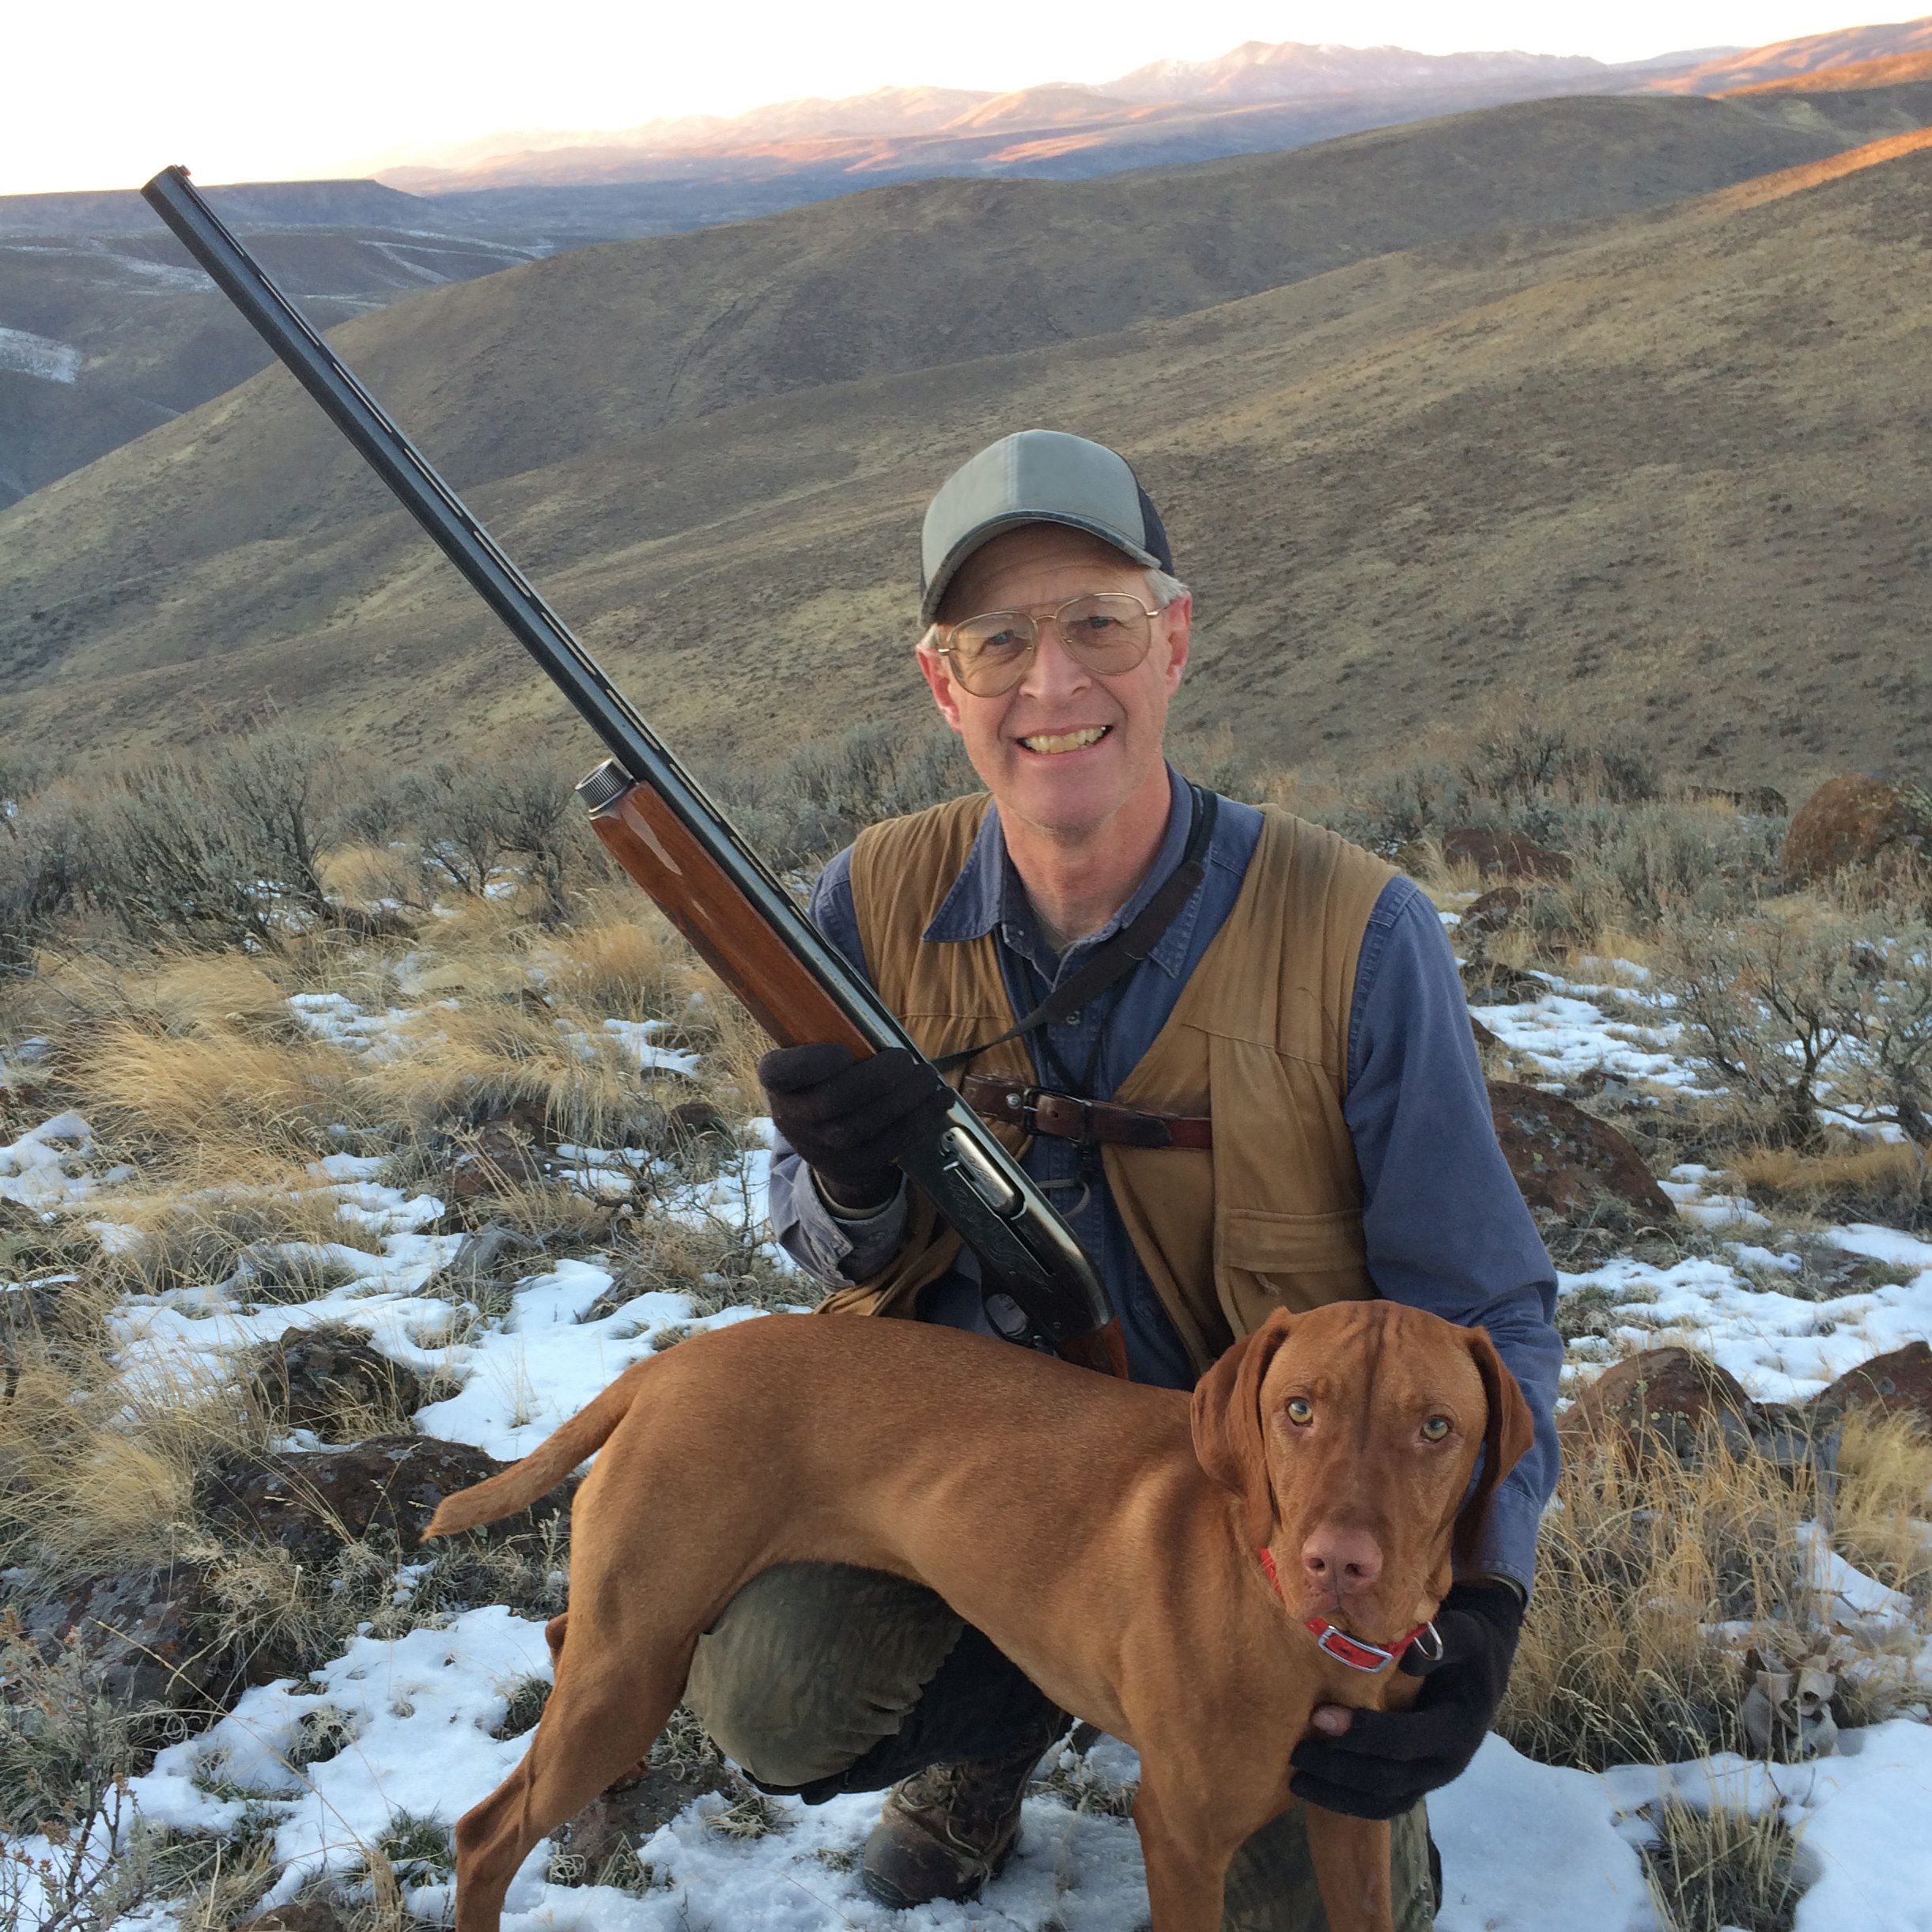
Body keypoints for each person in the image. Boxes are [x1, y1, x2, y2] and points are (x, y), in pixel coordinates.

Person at [680, 429, 1562, 1930]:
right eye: (999, 640)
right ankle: (999, 1733)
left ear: (1175, 641)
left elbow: (1480, 1304)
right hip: (978, 1507)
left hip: (1258, 1555)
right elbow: (826, 1256)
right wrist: (846, 1188)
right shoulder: (865, 902)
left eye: (1098, 622)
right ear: (939, 682)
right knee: (774, 1693)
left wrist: (1484, 1597)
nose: (1053, 684)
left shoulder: (1360, 932)